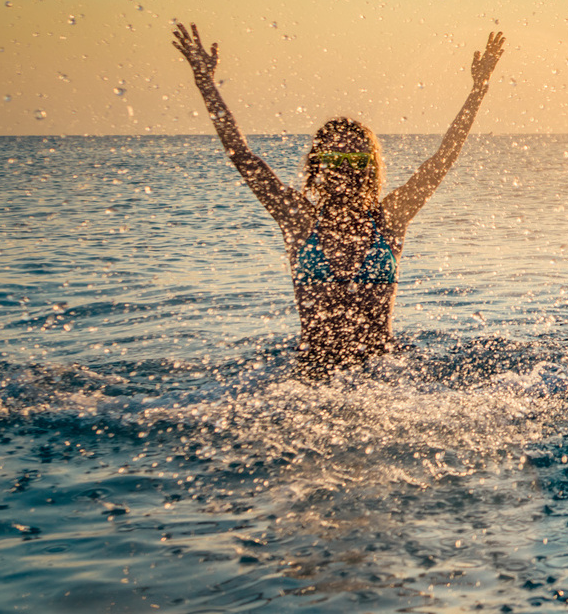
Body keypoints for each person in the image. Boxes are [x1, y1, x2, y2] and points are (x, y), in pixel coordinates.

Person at [172, 22, 506, 380]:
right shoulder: (299, 220)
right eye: (335, 159)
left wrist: (479, 89)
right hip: (310, 377)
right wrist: (205, 84)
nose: (345, 169)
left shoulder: (390, 218)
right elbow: (242, 155)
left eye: (356, 160)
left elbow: (443, 158)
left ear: (371, 167)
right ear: (318, 165)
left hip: (385, 377)